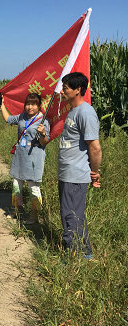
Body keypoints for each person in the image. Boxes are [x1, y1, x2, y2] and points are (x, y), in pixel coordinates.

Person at [58, 72, 102, 259]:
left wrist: (94, 171)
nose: (62, 91)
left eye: (66, 88)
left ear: (77, 90)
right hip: (67, 172)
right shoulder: (73, 111)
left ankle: (72, 256)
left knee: (71, 215)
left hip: (75, 174)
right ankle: (86, 252)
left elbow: (95, 147)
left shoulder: (85, 112)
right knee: (74, 214)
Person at [0, 93, 50, 223]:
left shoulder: (43, 121)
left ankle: (34, 216)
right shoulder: (22, 116)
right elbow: (8, 119)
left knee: (33, 187)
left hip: (34, 159)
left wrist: (43, 133)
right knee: (16, 185)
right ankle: (18, 211)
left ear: (39, 106)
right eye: (28, 104)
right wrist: (2, 104)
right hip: (20, 157)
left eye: (33, 104)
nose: (30, 107)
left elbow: (44, 143)